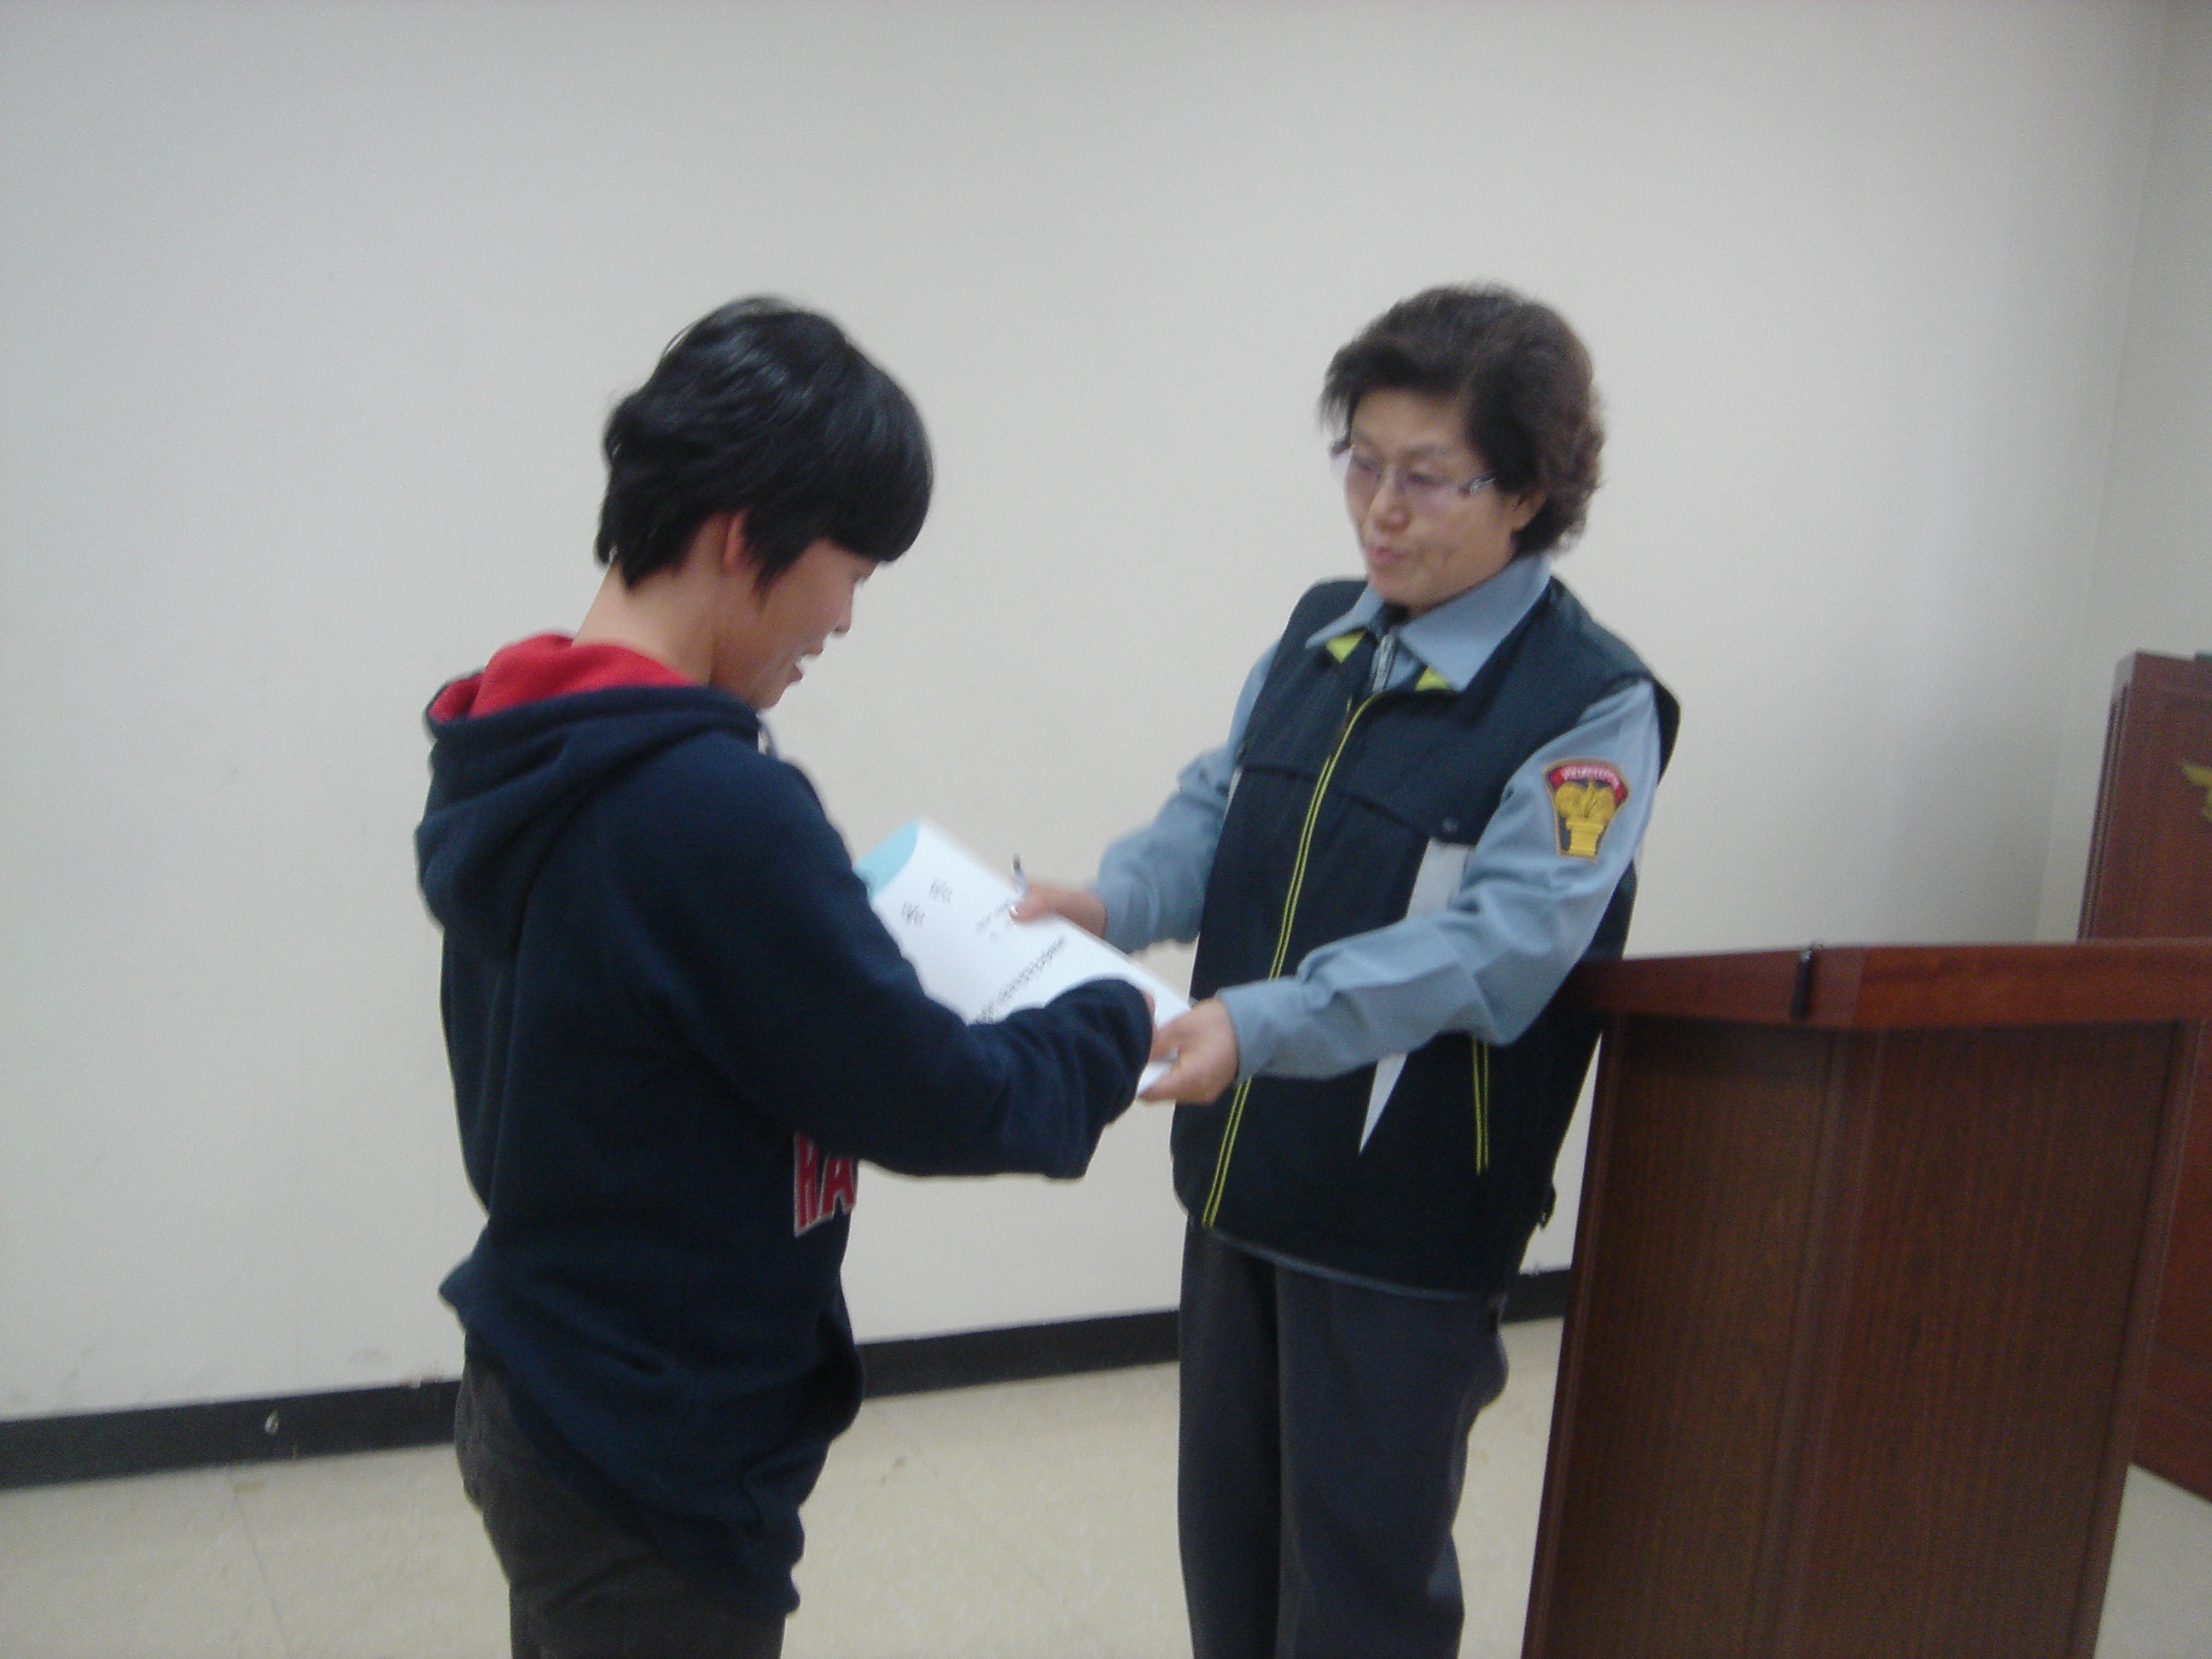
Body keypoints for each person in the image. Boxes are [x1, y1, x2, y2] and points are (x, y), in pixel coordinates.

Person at [414, 298, 1153, 1659]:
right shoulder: (703, 803)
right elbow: (935, 1097)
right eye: (850, 567)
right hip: (652, 1438)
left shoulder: (526, 739)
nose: (847, 618)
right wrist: (1107, 1016)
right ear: (743, 534)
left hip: (549, 1375)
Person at [1015, 283, 1679, 1658]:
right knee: (1231, 1559)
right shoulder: (1325, 630)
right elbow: (1218, 810)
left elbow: (1504, 946)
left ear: (1529, 492)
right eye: (1361, 462)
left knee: (1359, 1591)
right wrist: (1107, 900)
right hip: (1244, 1178)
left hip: (1403, 1224)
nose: (1381, 509)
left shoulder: (1589, 704)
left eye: (1427, 477)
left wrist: (1259, 1024)